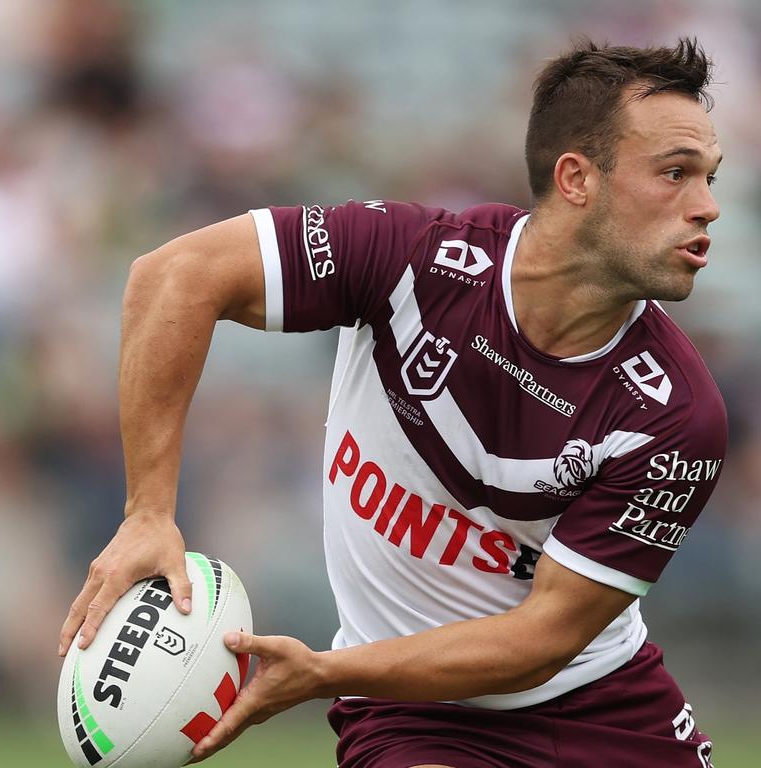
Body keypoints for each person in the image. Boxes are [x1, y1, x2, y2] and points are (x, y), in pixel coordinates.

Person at [59, 37, 726, 768]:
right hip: (415, 714)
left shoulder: (675, 414)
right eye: (675, 174)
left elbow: (540, 640)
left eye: (709, 178)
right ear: (576, 179)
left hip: (607, 708)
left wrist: (323, 674)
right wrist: (148, 513)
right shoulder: (413, 260)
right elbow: (173, 277)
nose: (708, 207)